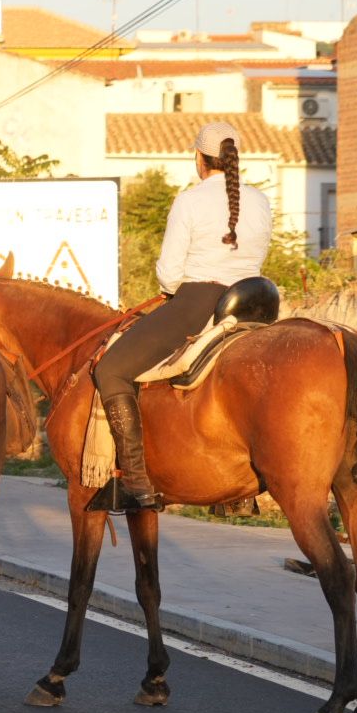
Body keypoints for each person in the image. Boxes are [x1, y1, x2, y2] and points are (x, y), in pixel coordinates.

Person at [89, 121, 272, 512]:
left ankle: (136, 482)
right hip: (255, 304)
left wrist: (175, 293)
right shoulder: (260, 201)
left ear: (199, 159)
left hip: (198, 302)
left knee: (111, 371)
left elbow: (170, 273)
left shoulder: (189, 200)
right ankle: (238, 494)